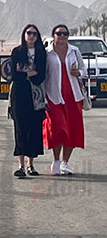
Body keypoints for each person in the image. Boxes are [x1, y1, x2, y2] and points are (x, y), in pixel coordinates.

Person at [43, 24, 86, 176]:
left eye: (65, 34)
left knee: (73, 129)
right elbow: (43, 76)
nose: (62, 36)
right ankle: (55, 161)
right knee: (58, 129)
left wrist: (78, 72)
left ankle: (65, 163)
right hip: (54, 96)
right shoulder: (47, 53)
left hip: (73, 96)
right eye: (59, 33)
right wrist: (43, 97)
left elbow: (84, 70)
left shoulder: (75, 51)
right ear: (53, 35)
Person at [9, 24, 47, 177]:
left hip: (36, 95)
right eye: (29, 33)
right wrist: (30, 73)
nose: (31, 36)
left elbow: (41, 75)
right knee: (20, 128)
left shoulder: (41, 53)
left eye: (34, 34)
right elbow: (14, 75)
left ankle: (31, 164)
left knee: (34, 128)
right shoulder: (17, 52)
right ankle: (21, 165)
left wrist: (25, 73)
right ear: (24, 35)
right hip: (19, 94)